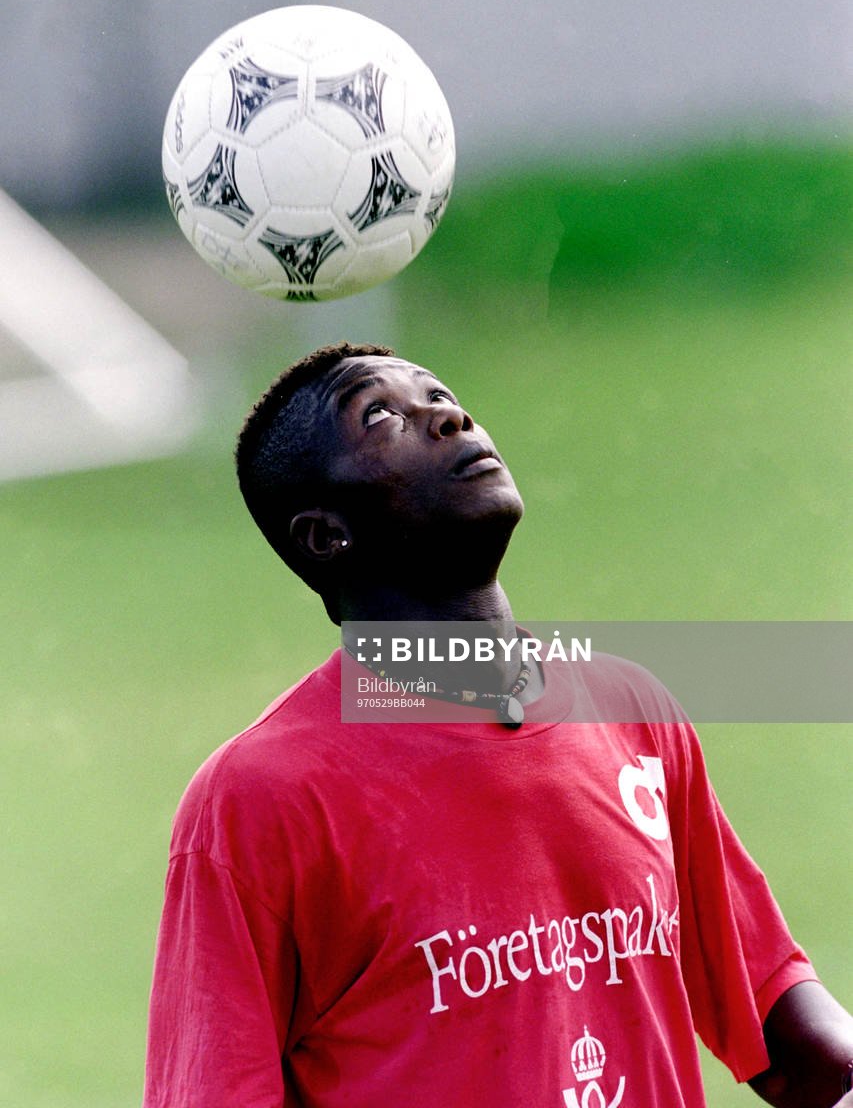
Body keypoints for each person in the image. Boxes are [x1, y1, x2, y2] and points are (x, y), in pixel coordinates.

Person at [143, 341, 853, 1108]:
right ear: (324, 535)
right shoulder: (261, 795)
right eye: (381, 418)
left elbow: (774, 1015)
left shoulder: (630, 712)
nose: (448, 418)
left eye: (440, 396)